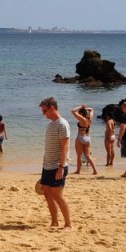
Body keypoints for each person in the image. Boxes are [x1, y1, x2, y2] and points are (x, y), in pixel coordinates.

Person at [39, 97, 72, 230]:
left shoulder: (62, 124)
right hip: (47, 165)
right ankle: (54, 222)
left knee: (57, 196)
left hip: (58, 166)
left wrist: (61, 167)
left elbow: (65, 147)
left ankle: (68, 224)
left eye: (45, 110)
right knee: (47, 194)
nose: (43, 113)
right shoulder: (51, 125)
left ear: (52, 108)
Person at [70, 104, 98, 175]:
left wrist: (81, 106)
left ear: (81, 113)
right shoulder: (89, 118)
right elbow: (91, 109)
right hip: (88, 138)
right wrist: (85, 108)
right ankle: (95, 170)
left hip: (80, 137)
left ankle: (78, 171)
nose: (79, 114)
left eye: (80, 113)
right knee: (88, 155)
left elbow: (73, 111)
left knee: (79, 155)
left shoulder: (82, 119)